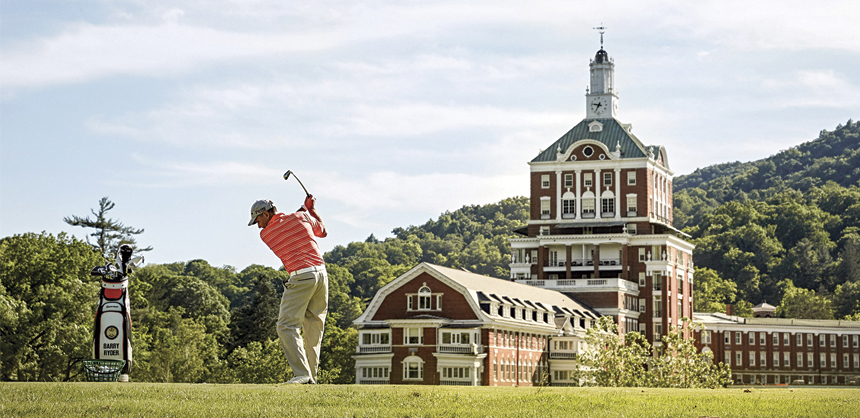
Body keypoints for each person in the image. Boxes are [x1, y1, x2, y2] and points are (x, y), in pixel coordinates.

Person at [248, 195, 327, 384]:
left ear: (266, 214)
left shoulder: (266, 235)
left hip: (301, 277)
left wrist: (303, 209)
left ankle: (302, 374)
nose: (259, 226)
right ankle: (311, 378)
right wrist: (310, 209)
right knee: (313, 328)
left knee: (286, 326)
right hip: (322, 275)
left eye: (258, 220)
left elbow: (288, 222)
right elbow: (322, 232)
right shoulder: (301, 218)